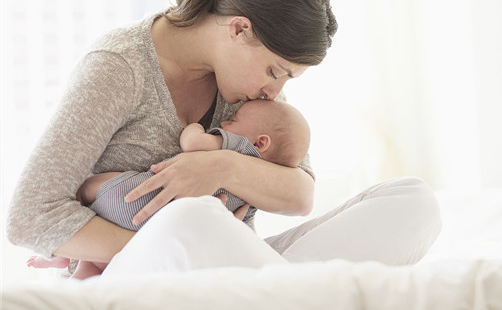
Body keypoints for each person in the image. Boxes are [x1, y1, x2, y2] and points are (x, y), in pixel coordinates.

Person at [8, 0, 441, 278]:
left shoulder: (247, 90)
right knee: (192, 219)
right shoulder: (121, 68)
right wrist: (174, 244)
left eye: (288, 78)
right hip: (142, 271)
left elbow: (299, 194)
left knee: (413, 202)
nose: (276, 90)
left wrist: (221, 169)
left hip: (237, 268)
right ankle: (289, 302)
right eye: (276, 71)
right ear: (239, 29)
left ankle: (271, 301)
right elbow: (28, 216)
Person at [27, 99, 310, 278]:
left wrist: (195, 128)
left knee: (90, 187)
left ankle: (69, 256)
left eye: (233, 121)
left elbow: (193, 145)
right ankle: (78, 272)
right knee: (96, 270)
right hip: (155, 225)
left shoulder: (237, 147)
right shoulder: (262, 184)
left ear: (261, 143)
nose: (225, 122)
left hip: (133, 201)